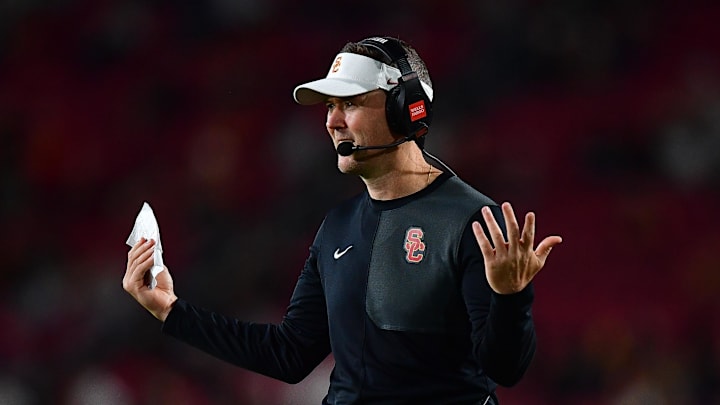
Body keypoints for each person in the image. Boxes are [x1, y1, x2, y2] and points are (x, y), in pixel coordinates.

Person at [123, 36, 563, 404]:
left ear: (404, 108)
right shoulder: (338, 224)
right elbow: (289, 354)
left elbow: (504, 369)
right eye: (329, 106)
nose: (332, 122)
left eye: (348, 103)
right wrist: (172, 311)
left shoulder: (470, 221)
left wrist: (511, 297)